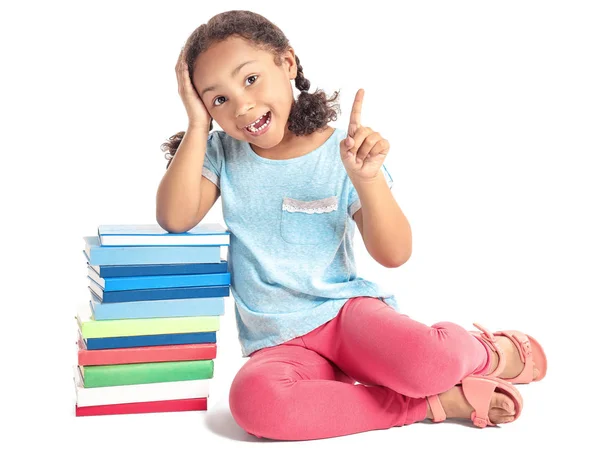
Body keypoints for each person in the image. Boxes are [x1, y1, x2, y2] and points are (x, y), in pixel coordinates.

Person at [155, 10, 547, 441]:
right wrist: (197, 122)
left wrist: (367, 179)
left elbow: (394, 254)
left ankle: (485, 351)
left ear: (287, 63)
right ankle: (429, 404)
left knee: (427, 364)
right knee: (255, 403)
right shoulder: (219, 151)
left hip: (346, 317)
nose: (242, 105)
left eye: (249, 80)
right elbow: (176, 217)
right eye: (218, 99)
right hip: (279, 343)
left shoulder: (343, 152)